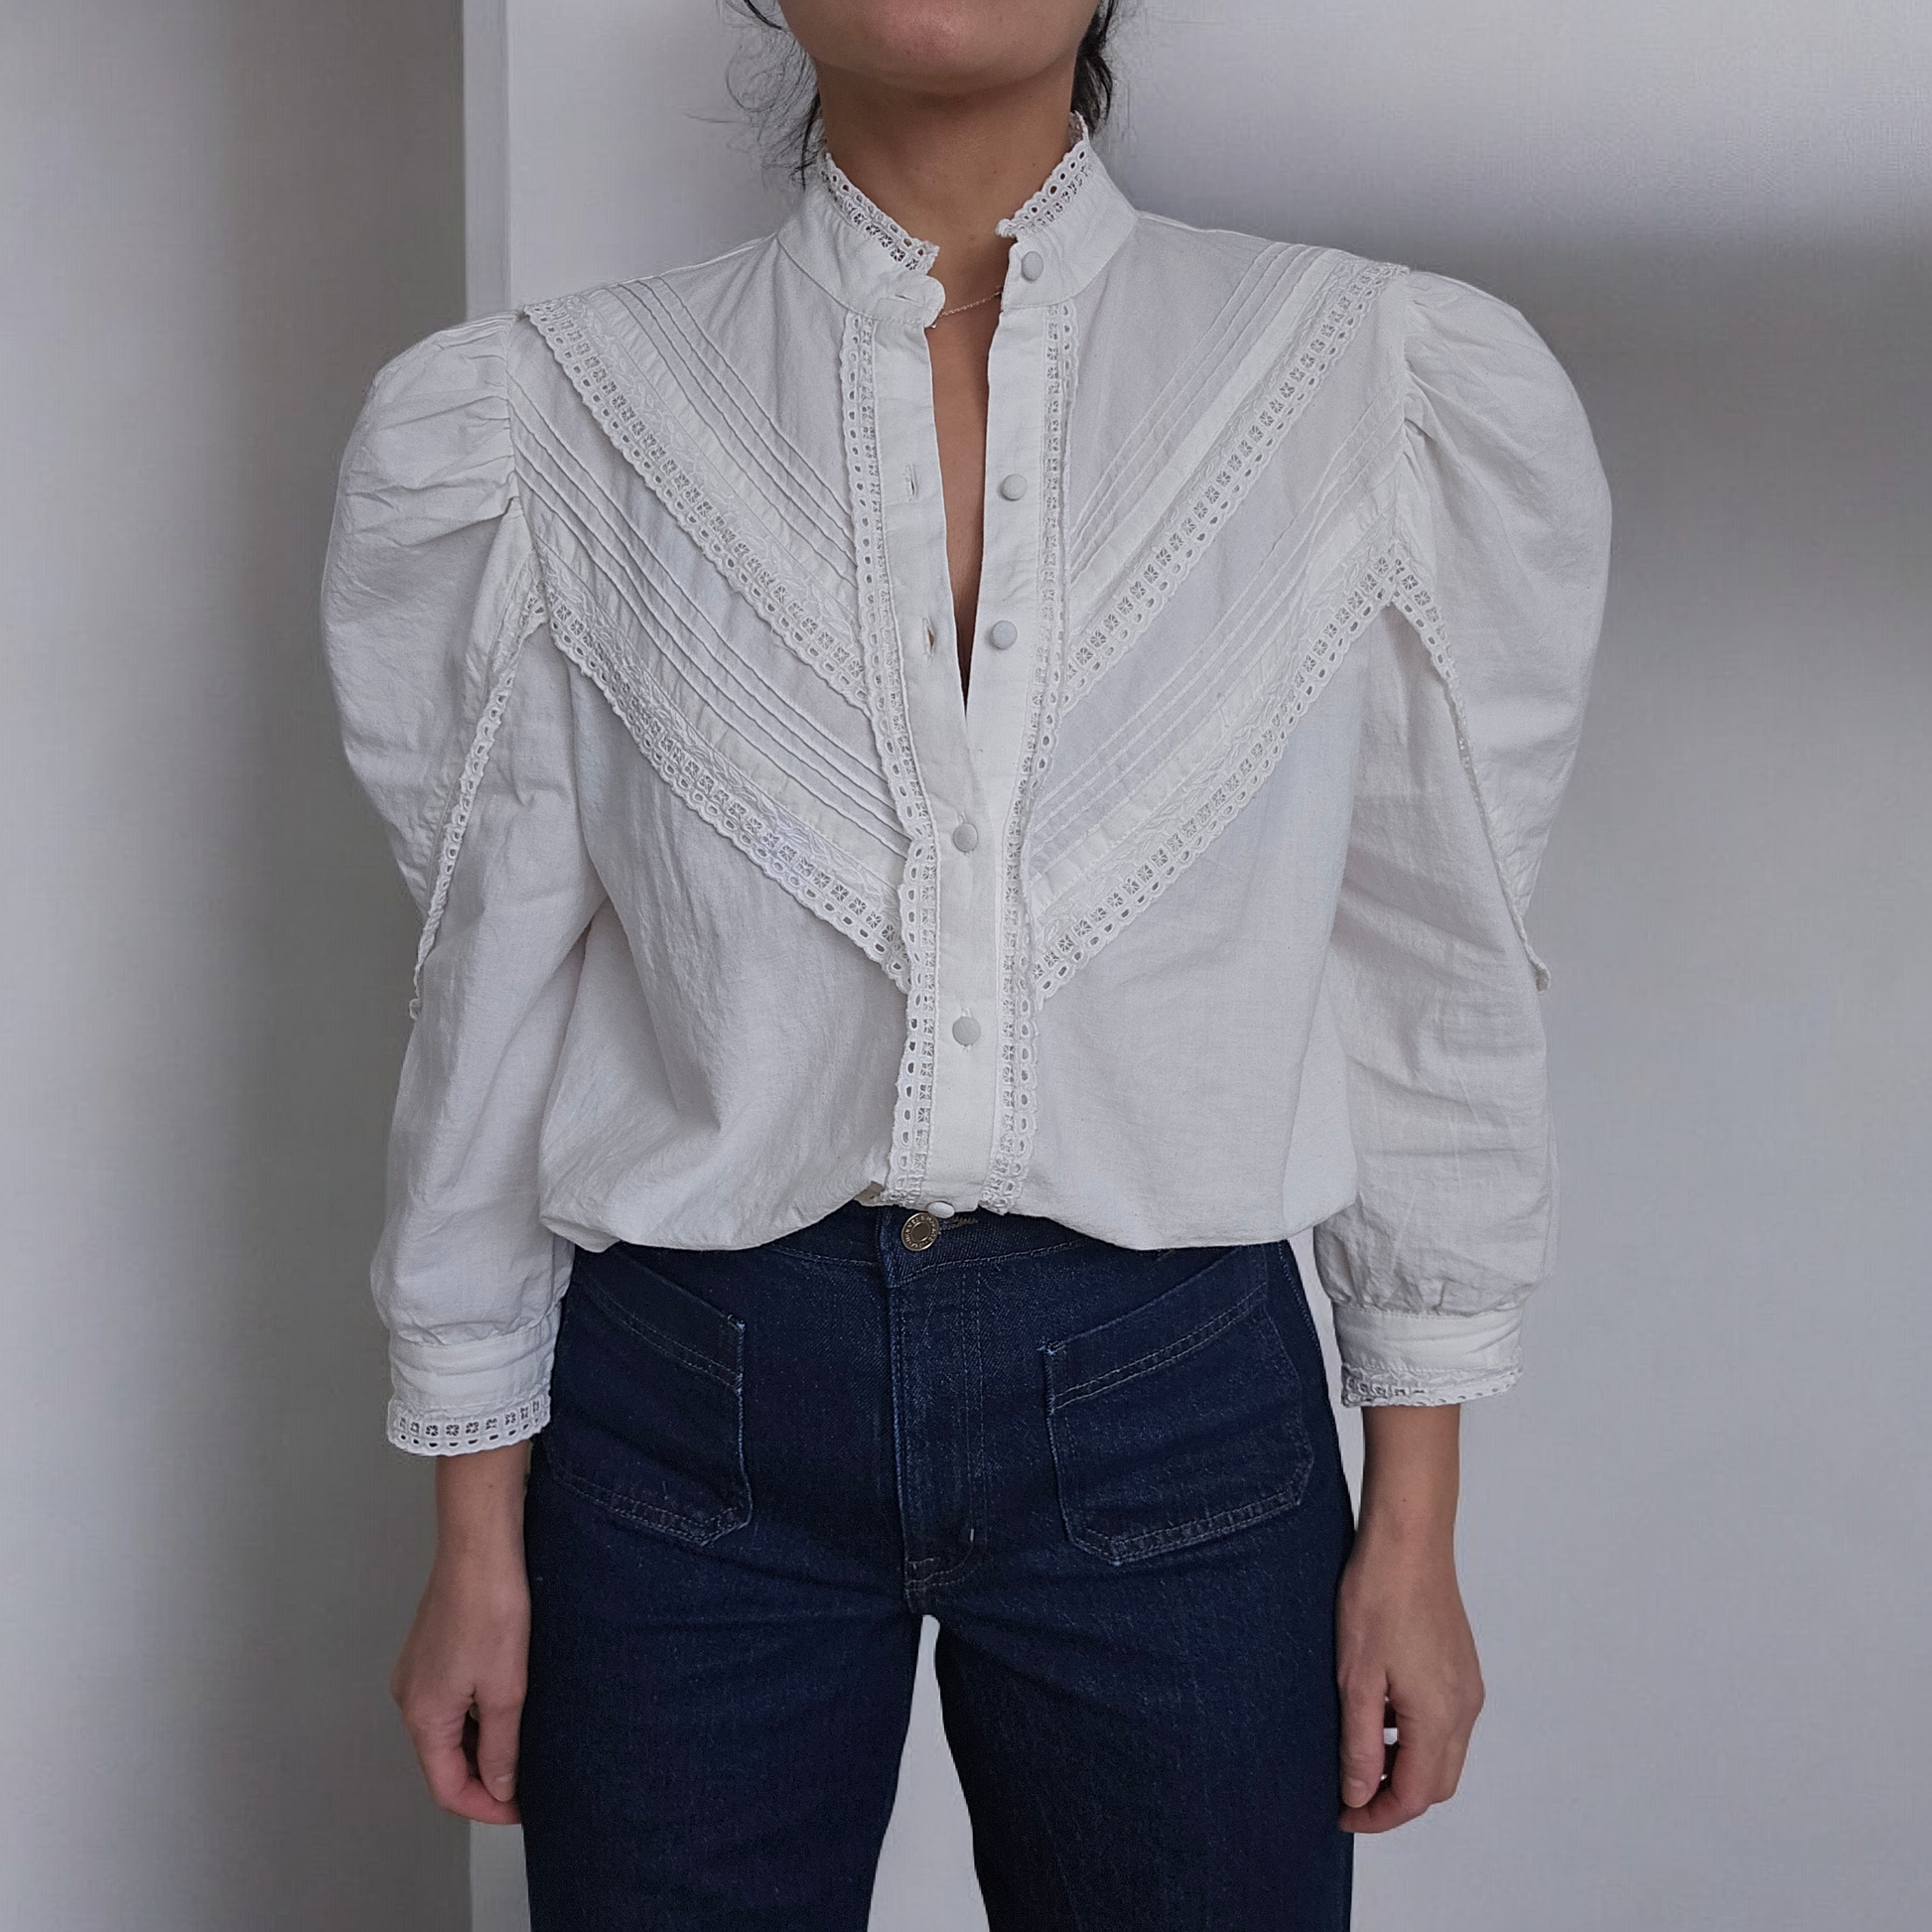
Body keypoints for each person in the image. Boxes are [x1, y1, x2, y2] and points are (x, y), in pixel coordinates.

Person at [321, 3, 1610, 1926]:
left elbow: (1428, 960)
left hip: (1177, 1385)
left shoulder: (1364, 380)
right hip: (687, 1399)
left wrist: (1412, 1528)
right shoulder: (552, 416)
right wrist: (475, 1529)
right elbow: (494, 987)